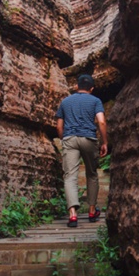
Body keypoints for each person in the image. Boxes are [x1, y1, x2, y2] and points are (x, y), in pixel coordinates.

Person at [55, 74, 108, 228]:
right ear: (92, 88)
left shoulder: (65, 101)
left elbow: (59, 126)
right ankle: (92, 211)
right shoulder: (96, 101)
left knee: (70, 176)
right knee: (92, 174)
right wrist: (104, 142)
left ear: (76, 86)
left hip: (70, 139)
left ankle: (72, 215)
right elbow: (102, 121)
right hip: (89, 139)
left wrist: (64, 139)